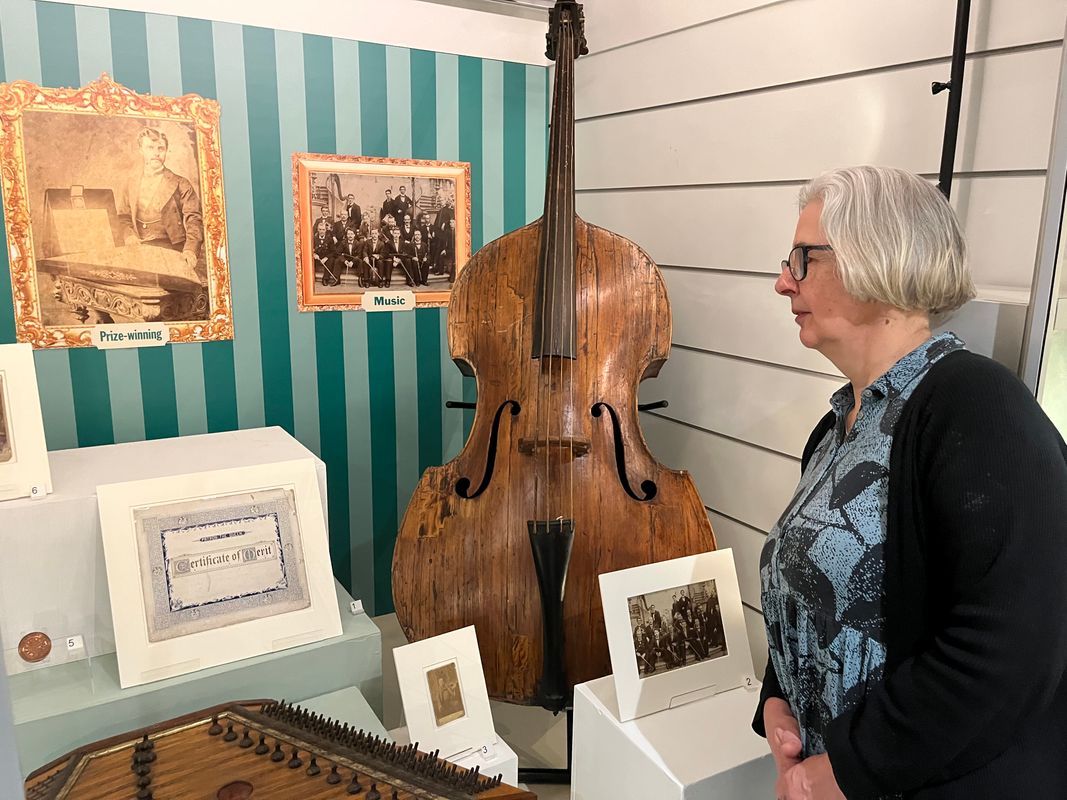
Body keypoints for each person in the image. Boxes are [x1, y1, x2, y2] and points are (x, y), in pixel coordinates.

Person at [755, 166, 1067, 799]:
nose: (783, 280)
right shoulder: (840, 426)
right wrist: (777, 698)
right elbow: (823, 588)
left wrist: (848, 766)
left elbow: (1010, 648)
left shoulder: (977, 408)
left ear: (878, 261)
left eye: (803, 259)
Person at [117, 128, 204, 272]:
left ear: (166, 151)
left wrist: (190, 250)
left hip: (172, 250)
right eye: (150, 148)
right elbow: (123, 218)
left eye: (161, 148)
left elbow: (194, 220)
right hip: (138, 249)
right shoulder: (130, 183)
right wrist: (129, 236)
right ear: (141, 150)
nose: (156, 153)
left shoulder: (181, 183)